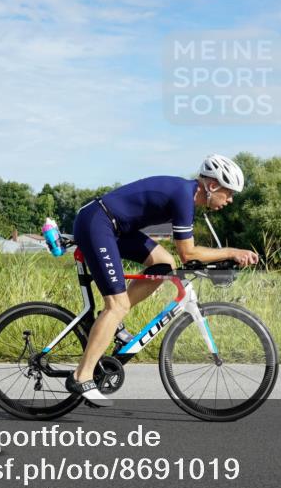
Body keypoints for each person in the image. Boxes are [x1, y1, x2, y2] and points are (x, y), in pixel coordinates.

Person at [65, 154, 259, 406]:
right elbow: (188, 252)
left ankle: (111, 323)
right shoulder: (184, 196)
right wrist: (232, 252)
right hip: (97, 222)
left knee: (164, 265)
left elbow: (183, 258)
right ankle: (81, 376)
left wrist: (219, 260)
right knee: (117, 305)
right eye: (229, 193)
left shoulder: (187, 196)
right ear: (212, 186)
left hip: (115, 227)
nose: (230, 200)